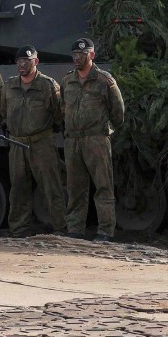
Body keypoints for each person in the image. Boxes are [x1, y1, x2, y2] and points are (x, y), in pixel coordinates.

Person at [61, 38, 124, 242]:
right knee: (75, 188)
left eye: (82, 54)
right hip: (73, 141)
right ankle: (75, 229)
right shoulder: (67, 81)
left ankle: (105, 230)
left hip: (96, 139)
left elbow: (118, 112)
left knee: (103, 186)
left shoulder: (104, 80)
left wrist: (106, 130)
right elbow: (63, 108)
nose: (77, 58)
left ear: (92, 55)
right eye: (75, 55)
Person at [1, 45, 65, 237]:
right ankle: (19, 229)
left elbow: (58, 114)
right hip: (17, 143)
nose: (22, 65)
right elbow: (4, 112)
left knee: (51, 187)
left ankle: (60, 227)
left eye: (26, 61)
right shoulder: (9, 86)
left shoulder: (48, 85)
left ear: (35, 62)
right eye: (19, 61)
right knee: (18, 188)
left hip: (42, 143)